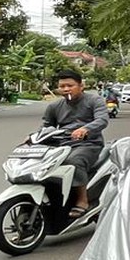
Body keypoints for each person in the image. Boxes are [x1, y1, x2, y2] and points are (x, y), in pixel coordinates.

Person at [42, 70, 110, 216]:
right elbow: (47, 127)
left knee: (74, 162)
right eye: (62, 86)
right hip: (61, 145)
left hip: (89, 144)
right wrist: (33, 137)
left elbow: (102, 120)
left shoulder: (94, 101)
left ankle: (82, 200)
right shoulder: (54, 107)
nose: (66, 89)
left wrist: (85, 129)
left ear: (81, 86)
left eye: (70, 85)